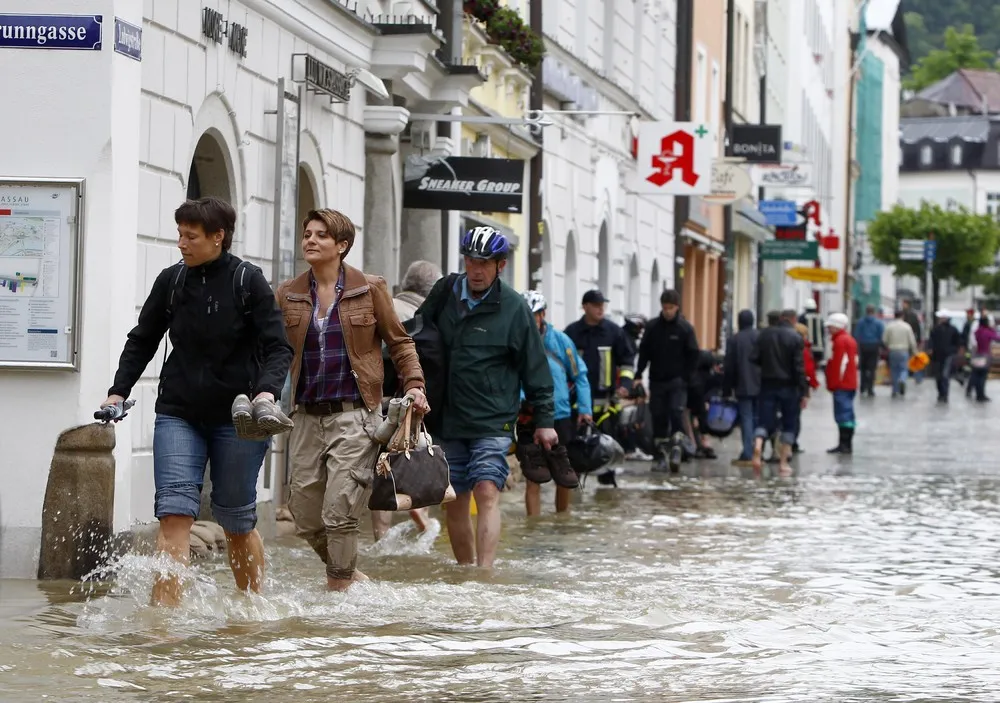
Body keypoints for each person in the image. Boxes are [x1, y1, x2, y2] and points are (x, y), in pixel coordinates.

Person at [101, 196, 294, 606]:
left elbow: (278, 348)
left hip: (240, 418)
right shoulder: (171, 281)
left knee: (237, 522)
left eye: (191, 236)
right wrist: (119, 390)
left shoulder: (248, 282)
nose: (182, 244)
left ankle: (250, 611)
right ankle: (163, 629)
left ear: (218, 237)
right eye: (179, 235)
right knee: (173, 516)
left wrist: (266, 391)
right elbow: (142, 340)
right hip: (178, 413)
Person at [276, 208, 428, 592]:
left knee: (339, 512)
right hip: (306, 416)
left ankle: (339, 600)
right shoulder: (288, 294)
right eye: (307, 233)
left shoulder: (369, 289)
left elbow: (400, 343)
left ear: (341, 245)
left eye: (321, 235)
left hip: (355, 415)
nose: (310, 240)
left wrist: (414, 385)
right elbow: (272, 351)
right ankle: (352, 580)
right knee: (305, 515)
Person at [416, 226, 556, 568]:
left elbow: (535, 367)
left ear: (501, 265)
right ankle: (465, 573)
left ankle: (485, 572)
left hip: (492, 418)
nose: (476, 270)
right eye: (470, 261)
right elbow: (417, 334)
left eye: (484, 263)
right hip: (446, 416)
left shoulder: (514, 308)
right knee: (454, 498)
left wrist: (545, 421)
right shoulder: (445, 292)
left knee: (487, 490)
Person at [370, 259, 442, 542]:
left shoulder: (385, 306)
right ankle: (421, 524)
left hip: (372, 401)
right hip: (403, 402)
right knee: (408, 459)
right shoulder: (421, 317)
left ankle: (381, 536)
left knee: (380, 467)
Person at [518, 290, 593, 516]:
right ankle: (534, 525)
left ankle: (562, 519)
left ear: (543, 314)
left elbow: (579, 374)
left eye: (535, 315)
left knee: (564, 474)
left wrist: (585, 409)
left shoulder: (560, 341)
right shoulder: (516, 341)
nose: (530, 320)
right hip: (528, 415)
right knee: (533, 476)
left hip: (560, 415)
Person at [565, 290, 636, 480]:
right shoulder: (571, 333)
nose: (600, 309)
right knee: (575, 454)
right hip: (576, 406)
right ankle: (573, 492)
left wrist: (626, 385)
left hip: (606, 405)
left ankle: (606, 499)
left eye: (602, 305)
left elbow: (627, 361)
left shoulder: (614, 332)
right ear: (585, 306)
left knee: (606, 455)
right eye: (596, 305)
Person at [635, 289, 699, 472]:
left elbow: (694, 354)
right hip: (657, 380)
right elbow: (644, 351)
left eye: (671, 308)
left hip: (678, 381)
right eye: (665, 308)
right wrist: (638, 374)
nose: (667, 311)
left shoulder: (685, 328)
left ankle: (677, 449)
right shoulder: (653, 327)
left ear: (677, 307)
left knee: (676, 413)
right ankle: (660, 454)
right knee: (658, 416)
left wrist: (687, 377)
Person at [751, 310, 808, 477]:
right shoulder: (795, 337)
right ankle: (783, 464)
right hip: (789, 387)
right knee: (789, 425)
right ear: (793, 320)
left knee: (763, 421)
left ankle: (758, 447)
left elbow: (753, 358)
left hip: (767, 384)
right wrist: (803, 390)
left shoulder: (764, 335)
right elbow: (799, 368)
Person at [723, 309, 761, 467]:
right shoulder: (760, 337)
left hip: (743, 384)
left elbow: (729, 366)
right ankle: (759, 448)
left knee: (746, 419)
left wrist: (727, 388)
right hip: (761, 384)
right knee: (758, 418)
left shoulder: (734, 339)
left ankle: (747, 452)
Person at [824, 313, 859, 454]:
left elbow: (838, 364)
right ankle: (845, 444)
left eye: (830, 326)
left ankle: (844, 445)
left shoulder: (840, 342)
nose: (828, 329)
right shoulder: (849, 340)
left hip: (842, 384)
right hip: (849, 383)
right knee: (847, 414)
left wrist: (833, 383)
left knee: (843, 414)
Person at [928, 311, 962, 403]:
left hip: (948, 354)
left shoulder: (952, 329)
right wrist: (930, 348)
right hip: (937, 355)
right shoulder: (936, 329)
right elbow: (931, 340)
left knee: (945, 374)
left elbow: (957, 341)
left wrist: (955, 350)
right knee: (938, 376)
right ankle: (940, 393)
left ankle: (945, 394)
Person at [883, 309, 917, 397]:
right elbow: (912, 341)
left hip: (893, 351)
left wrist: (888, 345)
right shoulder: (907, 327)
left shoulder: (889, 326)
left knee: (894, 370)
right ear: (902, 316)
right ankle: (902, 380)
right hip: (904, 351)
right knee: (904, 369)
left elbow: (884, 340)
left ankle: (895, 390)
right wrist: (915, 352)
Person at [854, 305, 884, 398]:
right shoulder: (878, 323)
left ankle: (863, 388)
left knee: (863, 368)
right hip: (874, 346)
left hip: (863, 346)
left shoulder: (861, 322)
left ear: (866, 311)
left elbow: (856, 334)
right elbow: (881, 334)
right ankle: (870, 389)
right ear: (873, 311)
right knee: (872, 369)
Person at [970, 314, 1000, 402]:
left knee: (976, 375)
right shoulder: (987, 332)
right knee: (982, 376)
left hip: (977, 355)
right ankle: (981, 395)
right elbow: (997, 338)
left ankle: (978, 394)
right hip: (985, 355)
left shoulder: (977, 331)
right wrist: (992, 329)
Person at [798, 298, 826, 368]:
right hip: (819, 347)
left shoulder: (802, 318)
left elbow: (800, 331)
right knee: (815, 367)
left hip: (806, 347)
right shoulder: (820, 317)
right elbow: (823, 332)